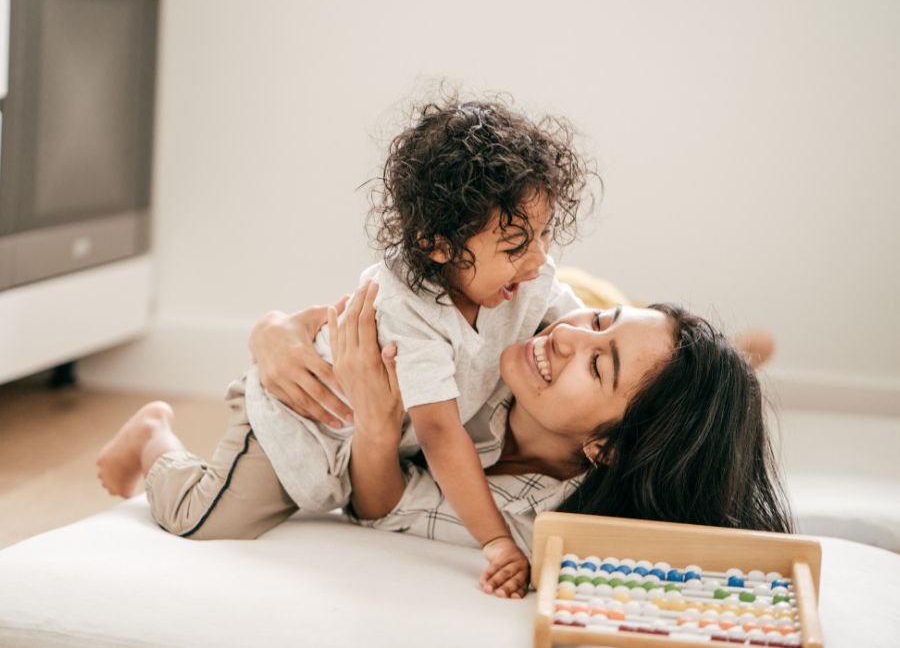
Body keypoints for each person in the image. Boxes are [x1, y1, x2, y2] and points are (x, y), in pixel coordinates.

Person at [98, 95, 597, 590]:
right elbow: (442, 436)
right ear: (438, 245)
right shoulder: (412, 311)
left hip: (366, 441)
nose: (537, 261)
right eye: (515, 247)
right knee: (205, 519)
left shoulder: (528, 277)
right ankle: (152, 438)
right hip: (301, 419)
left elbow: (588, 326)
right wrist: (495, 541)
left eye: (545, 234)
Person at [97, 284, 792, 600]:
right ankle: (727, 351)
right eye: (600, 322)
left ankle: (154, 441)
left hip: (362, 428)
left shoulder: (531, 513)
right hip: (317, 391)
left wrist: (375, 425)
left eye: (598, 361)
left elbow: (380, 504)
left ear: (606, 449)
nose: (573, 335)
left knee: (213, 514)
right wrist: (273, 327)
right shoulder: (528, 310)